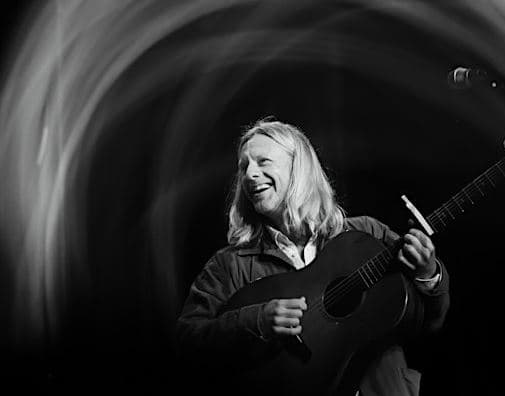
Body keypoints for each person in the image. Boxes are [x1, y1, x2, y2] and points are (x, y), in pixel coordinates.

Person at [176, 119, 450, 395]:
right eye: (243, 166)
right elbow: (188, 339)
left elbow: (427, 321)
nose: (249, 174)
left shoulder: (367, 234)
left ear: (299, 168)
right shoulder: (229, 264)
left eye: (263, 162)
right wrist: (256, 320)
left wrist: (428, 274)